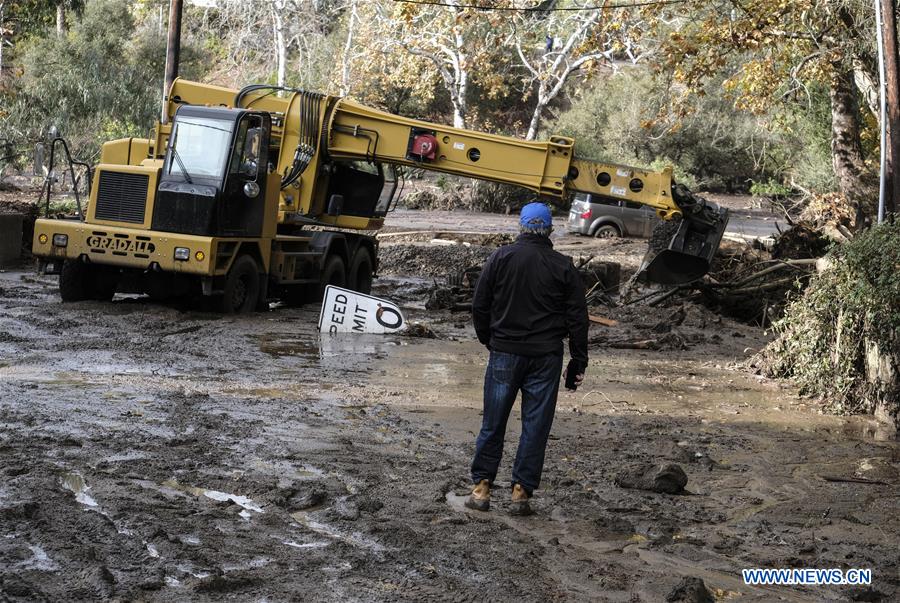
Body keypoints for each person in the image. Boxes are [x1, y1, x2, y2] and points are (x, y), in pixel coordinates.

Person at [465, 202, 589, 516]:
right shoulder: (563, 265)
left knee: (493, 422)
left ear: (520, 227)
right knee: (535, 426)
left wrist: (489, 340)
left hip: (505, 352)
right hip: (546, 358)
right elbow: (578, 318)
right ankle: (520, 493)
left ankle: (481, 489)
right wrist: (578, 361)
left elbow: (479, 306)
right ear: (550, 230)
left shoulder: (500, 258)